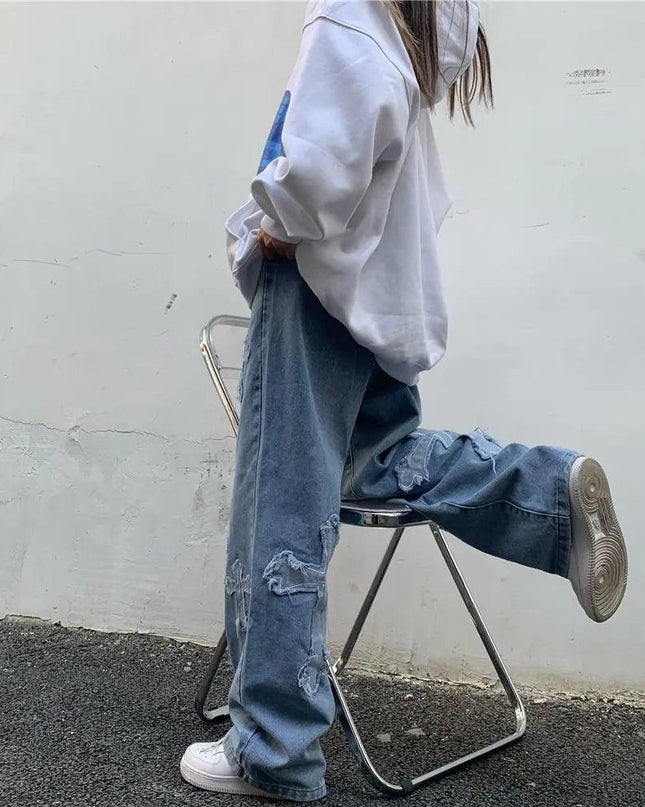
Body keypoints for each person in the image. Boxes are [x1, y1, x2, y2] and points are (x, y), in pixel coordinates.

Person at [180, 0, 628, 801]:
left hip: (314, 294)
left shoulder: (349, 15)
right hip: (377, 301)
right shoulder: (408, 27)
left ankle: (274, 751)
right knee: (375, 465)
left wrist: (276, 222)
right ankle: (544, 493)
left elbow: (316, 169)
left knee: (282, 506)